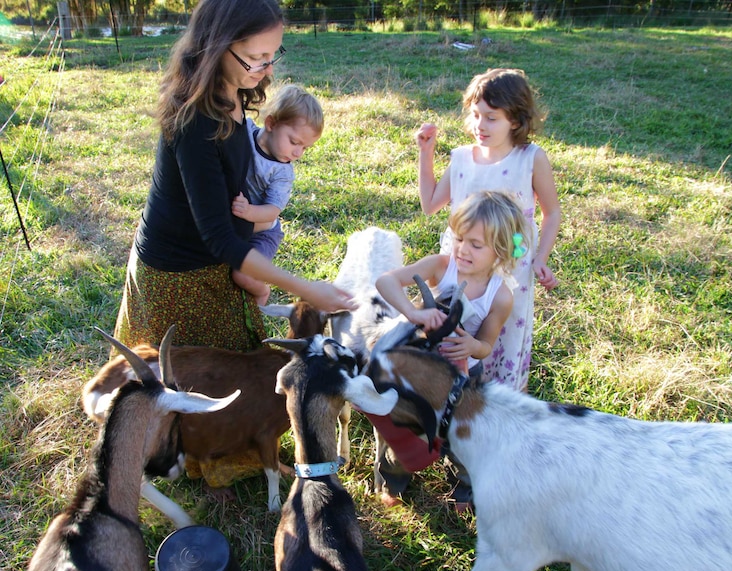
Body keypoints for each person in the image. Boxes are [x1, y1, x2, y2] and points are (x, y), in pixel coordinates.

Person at [112, 0, 353, 492]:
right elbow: (219, 237)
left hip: (214, 265)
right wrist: (307, 288)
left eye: (272, 56)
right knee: (188, 377)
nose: (266, 69)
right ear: (218, 47)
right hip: (176, 273)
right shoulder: (193, 120)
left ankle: (235, 433)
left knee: (227, 368)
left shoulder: (235, 93)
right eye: (255, 58)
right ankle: (189, 449)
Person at [370, 190, 530, 511]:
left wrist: (473, 346)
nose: (462, 250)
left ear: (500, 250)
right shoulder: (441, 267)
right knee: (406, 427)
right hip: (420, 368)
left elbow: (487, 343)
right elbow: (386, 282)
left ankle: (464, 486)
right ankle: (394, 478)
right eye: (458, 238)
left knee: (465, 436)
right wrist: (413, 313)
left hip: (463, 375)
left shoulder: (500, 296)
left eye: (475, 244)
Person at [415, 68, 562, 392]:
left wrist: (540, 258)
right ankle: (447, 390)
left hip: (513, 265)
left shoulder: (531, 159)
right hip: (463, 260)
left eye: (492, 118)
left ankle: (502, 399)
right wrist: (426, 154)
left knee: (503, 330)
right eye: (476, 115)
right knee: (453, 327)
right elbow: (430, 204)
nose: (480, 125)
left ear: (515, 119)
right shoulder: (463, 158)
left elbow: (552, 213)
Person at [231, 83, 324, 305]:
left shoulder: (282, 172)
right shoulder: (245, 131)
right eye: (294, 142)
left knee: (241, 274)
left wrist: (249, 211)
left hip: (263, 233)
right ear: (271, 123)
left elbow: (273, 211)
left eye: (305, 148)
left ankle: (262, 293)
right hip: (240, 224)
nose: (298, 153)